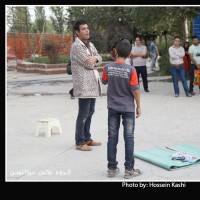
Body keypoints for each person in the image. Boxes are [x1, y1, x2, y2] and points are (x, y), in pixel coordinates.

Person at [102, 38, 141, 179]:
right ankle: (129, 170)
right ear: (130, 54)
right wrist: (138, 106)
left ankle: (112, 169)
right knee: (129, 138)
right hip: (128, 108)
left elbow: (104, 81)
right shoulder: (131, 70)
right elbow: (135, 89)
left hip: (112, 107)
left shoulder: (107, 67)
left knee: (112, 137)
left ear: (115, 51)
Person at [70, 19, 102, 151]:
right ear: (77, 32)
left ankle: (87, 138)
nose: (87, 30)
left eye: (87, 28)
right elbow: (88, 64)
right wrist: (95, 60)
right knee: (83, 114)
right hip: (83, 85)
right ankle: (79, 141)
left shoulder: (90, 44)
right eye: (83, 29)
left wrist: (95, 58)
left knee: (90, 112)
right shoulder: (76, 46)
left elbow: (99, 58)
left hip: (92, 84)